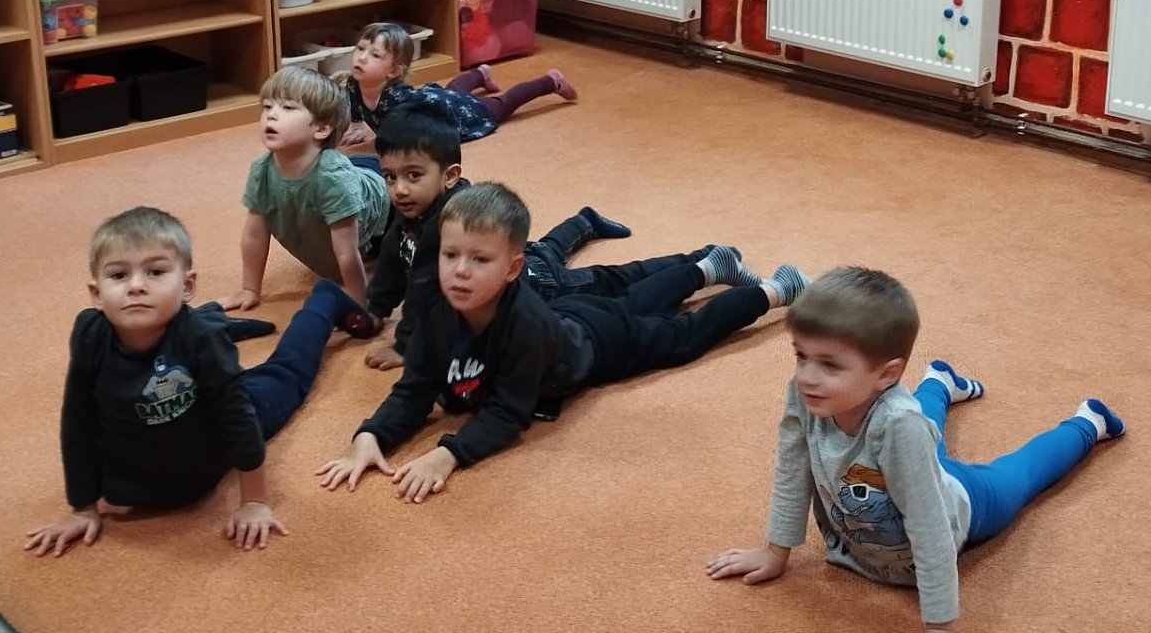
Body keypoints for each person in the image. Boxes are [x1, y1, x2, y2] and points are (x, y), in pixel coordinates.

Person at [706, 266, 1124, 633]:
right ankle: (940, 382)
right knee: (916, 441)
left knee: (1020, 475)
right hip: (896, 470)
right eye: (801, 356)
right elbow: (793, 468)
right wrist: (776, 552)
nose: (808, 376)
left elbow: (930, 526)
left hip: (963, 502)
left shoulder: (901, 427)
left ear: (887, 374)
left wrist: (940, 628)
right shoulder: (806, 393)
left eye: (829, 365)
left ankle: (1088, 423)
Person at [318, 181, 806, 502]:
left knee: (682, 336)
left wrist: (448, 453)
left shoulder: (522, 325)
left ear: (514, 268)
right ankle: (706, 268)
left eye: (480, 260)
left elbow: (509, 411)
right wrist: (371, 436)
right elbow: (415, 388)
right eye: (450, 255)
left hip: (600, 346)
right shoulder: (434, 308)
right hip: (570, 316)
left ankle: (774, 290)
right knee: (633, 298)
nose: (460, 271)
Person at [24, 206, 370, 557]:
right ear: (96, 293)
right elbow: (78, 419)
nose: (136, 286)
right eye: (119, 275)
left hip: (222, 416)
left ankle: (325, 301)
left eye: (156, 272)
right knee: (192, 333)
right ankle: (219, 322)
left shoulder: (199, 338)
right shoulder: (90, 335)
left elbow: (238, 416)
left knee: (289, 372)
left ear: (188, 285)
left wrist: (254, 501)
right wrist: (82, 508)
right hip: (188, 365)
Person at [361, 101, 760, 372]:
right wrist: (377, 308)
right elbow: (395, 261)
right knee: (547, 250)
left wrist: (405, 344)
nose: (399, 190)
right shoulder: (410, 213)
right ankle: (585, 221)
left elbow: (424, 287)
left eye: (413, 176)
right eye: (390, 177)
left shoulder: (449, 224)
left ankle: (701, 259)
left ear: (449, 176)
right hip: (522, 260)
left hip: (539, 287)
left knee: (615, 280)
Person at [221, 64, 388, 327]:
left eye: (287, 108)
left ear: (321, 128)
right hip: (350, 172)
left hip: (385, 204)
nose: (271, 115)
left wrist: (357, 299)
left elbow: (347, 251)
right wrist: (249, 289)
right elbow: (254, 234)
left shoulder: (332, 178)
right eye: (267, 106)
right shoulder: (262, 170)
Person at [339, 21, 577, 149]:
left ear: (393, 71)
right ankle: (480, 74)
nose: (362, 58)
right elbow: (355, 105)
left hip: (453, 115)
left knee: (501, 104)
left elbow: (413, 141)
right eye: (360, 48)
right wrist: (359, 126)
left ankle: (550, 81)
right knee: (452, 92)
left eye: (375, 55)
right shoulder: (354, 82)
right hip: (437, 100)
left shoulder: (398, 102)